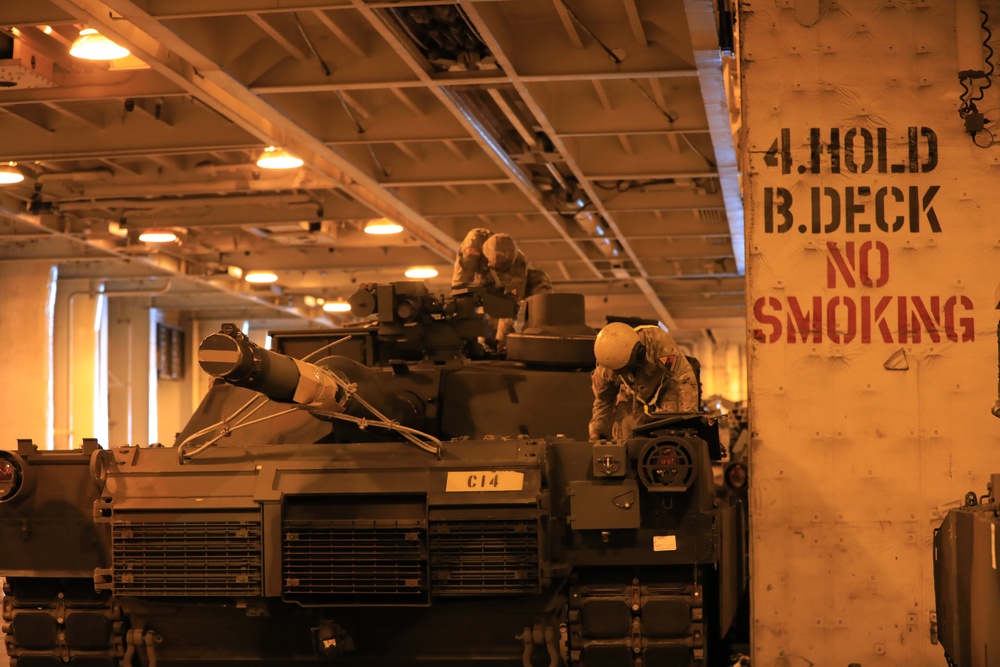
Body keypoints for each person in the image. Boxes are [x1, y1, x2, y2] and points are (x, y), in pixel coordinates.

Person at [589, 322, 699, 441]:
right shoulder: (606, 368)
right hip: (631, 393)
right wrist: (596, 433)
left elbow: (683, 377)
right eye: (621, 371)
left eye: (627, 368)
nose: (626, 374)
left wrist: (688, 423)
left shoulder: (657, 343)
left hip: (665, 386)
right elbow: (603, 402)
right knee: (626, 431)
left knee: (670, 430)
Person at [451, 229, 552, 346]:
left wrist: (502, 340)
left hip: (497, 290)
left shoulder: (519, 265)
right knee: (466, 303)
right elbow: (461, 282)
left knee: (540, 280)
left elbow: (511, 304)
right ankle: (476, 339)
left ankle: (538, 335)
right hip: (477, 284)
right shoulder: (473, 244)